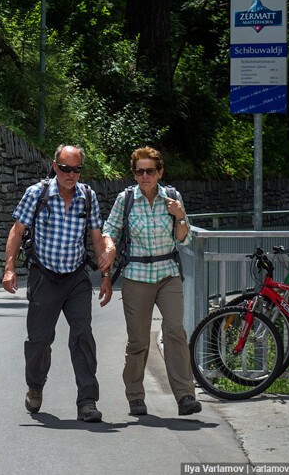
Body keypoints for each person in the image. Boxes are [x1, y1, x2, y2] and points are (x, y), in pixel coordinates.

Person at [1, 144, 114, 422]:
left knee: (82, 335)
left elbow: (97, 238)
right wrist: (9, 269)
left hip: (76, 277)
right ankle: (35, 386)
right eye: (65, 168)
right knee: (39, 339)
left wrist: (107, 276)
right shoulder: (37, 194)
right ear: (55, 166)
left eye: (76, 169)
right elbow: (17, 232)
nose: (70, 174)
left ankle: (87, 401)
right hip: (44, 274)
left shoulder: (87, 197)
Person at [100, 146, 202, 417]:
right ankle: (135, 396)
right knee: (138, 340)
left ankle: (185, 396)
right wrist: (109, 246)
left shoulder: (172, 197)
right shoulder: (126, 199)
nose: (144, 176)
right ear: (133, 173)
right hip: (136, 276)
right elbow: (110, 229)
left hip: (168, 273)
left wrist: (180, 216)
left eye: (150, 171)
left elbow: (184, 239)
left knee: (174, 332)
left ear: (160, 172)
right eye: (139, 171)